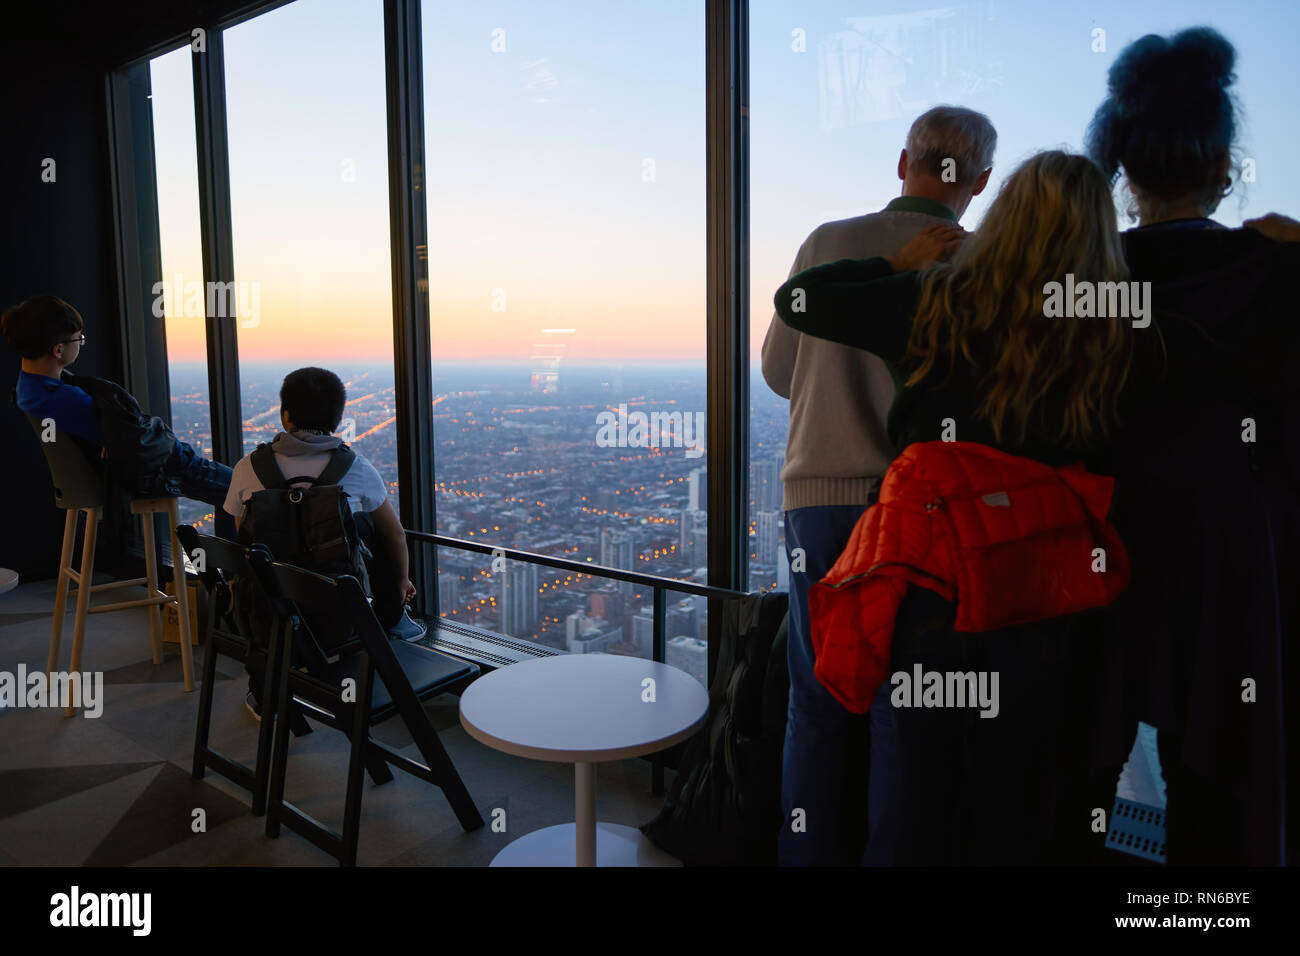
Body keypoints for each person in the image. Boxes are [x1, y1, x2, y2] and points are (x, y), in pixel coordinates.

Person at [771, 149, 1279, 864]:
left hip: (942, 602)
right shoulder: (1129, 335)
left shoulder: (936, 305)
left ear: (1000, 216)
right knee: (1055, 815)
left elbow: (800, 301)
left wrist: (899, 264)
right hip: (1065, 613)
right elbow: (1236, 369)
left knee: (928, 803)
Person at [1084, 26, 1300, 865]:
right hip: (1235, 567)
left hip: (1096, 548)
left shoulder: (1082, 285)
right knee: (1222, 789)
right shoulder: (1273, 273)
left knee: (1080, 774)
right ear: (1223, 166)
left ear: (1127, 173)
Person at [763, 104, 995, 866]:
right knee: (906, 708)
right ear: (981, 181)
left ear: (905, 164)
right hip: (922, 512)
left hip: (821, 500)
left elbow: (775, 369)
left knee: (816, 702)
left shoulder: (829, 244)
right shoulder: (982, 263)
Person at [222, 367, 425, 717]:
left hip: (268, 615)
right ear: (338, 418)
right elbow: (395, 534)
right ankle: (392, 618)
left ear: (285, 416)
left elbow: (244, 535)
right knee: (369, 524)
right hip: (341, 617)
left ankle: (263, 691)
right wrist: (402, 580)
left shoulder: (247, 468)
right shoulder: (357, 469)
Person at [5, 294, 231, 506]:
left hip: (96, 479)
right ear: (58, 350)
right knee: (238, 489)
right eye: (79, 339)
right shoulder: (64, 399)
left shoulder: (27, 389)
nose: (81, 343)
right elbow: (137, 444)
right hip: (144, 475)